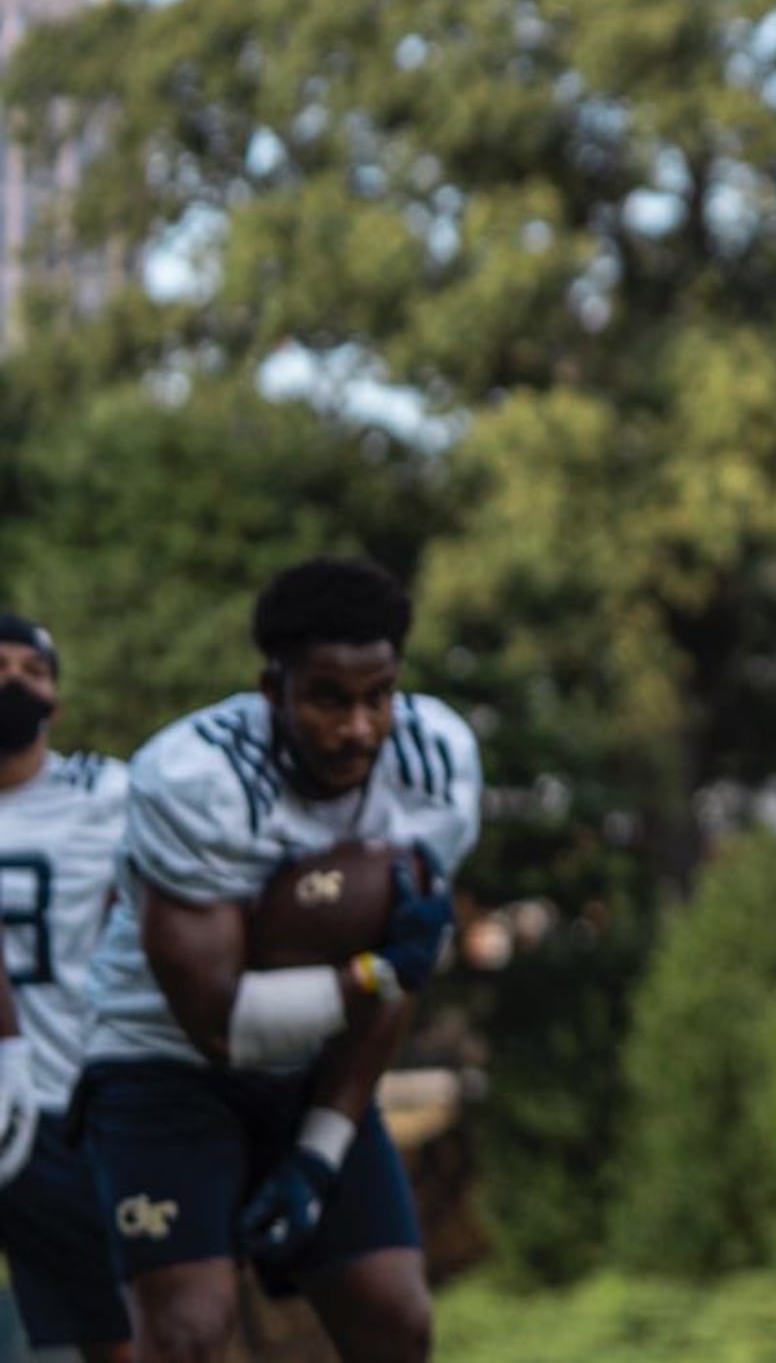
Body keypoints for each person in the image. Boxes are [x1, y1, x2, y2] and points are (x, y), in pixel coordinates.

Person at [77, 560, 476, 1363]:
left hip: (313, 1063)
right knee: (189, 1329)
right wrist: (375, 973)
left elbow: (398, 973)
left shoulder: (435, 762)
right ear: (273, 689)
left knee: (396, 1321)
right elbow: (220, 1025)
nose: (359, 727)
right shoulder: (195, 777)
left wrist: (318, 1155)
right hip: (163, 1062)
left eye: (378, 696)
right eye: (329, 698)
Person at [0, 613, 137, 1363]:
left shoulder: (110, 794)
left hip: (61, 1097)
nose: (13, 682)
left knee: (107, 1335)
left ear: (57, 696)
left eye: (33, 669)